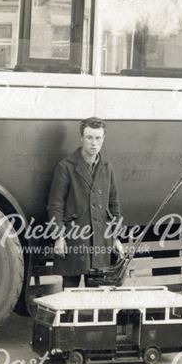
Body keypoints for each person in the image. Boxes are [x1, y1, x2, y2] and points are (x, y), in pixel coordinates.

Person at [47, 117, 125, 288]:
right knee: (69, 292)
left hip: (100, 240)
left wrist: (116, 237)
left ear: (103, 139)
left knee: (96, 295)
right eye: (89, 137)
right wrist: (59, 237)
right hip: (74, 239)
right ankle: (67, 316)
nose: (94, 143)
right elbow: (55, 205)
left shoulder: (107, 168)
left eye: (98, 138)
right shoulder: (66, 167)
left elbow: (114, 205)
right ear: (81, 138)